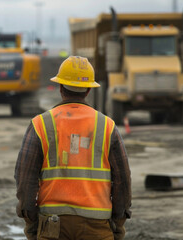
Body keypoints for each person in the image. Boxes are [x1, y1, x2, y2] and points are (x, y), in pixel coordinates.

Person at [15, 56, 131, 240]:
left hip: (52, 225)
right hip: (97, 226)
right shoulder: (107, 126)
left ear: (60, 87)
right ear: (88, 90)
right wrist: (118, 222)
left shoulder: (40, 124)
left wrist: (31, 221)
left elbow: (25, 177)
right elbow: (122, 179)